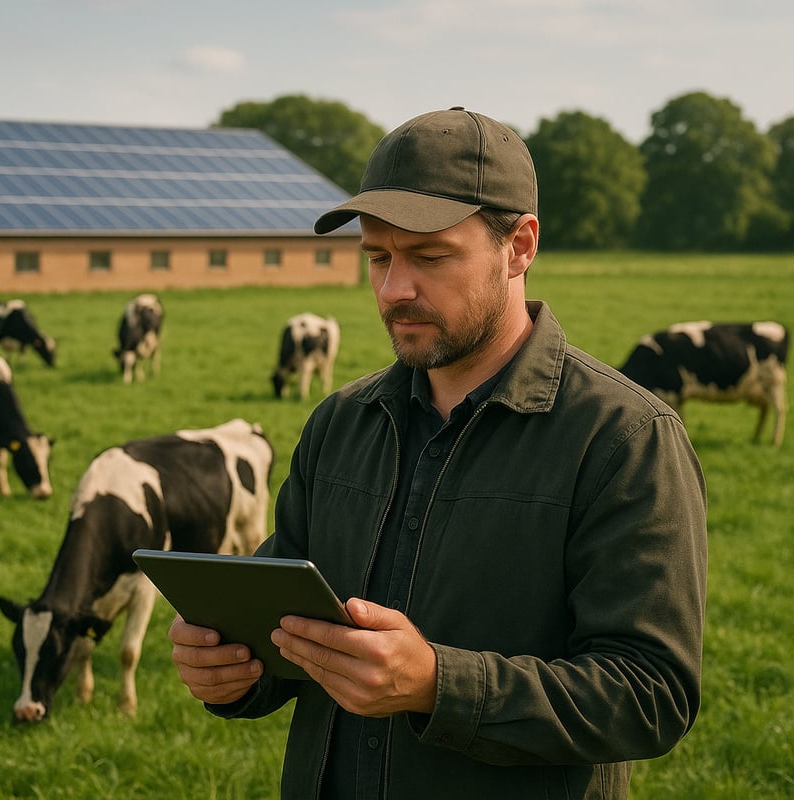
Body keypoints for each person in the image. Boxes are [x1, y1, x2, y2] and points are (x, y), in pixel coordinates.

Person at [166, 107, 708, 799]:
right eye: (377, 258)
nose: (394, 289)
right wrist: (233, 671)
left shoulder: (624, 438)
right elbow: (291, 629)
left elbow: (652, 694)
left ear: (519, 247)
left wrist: (437, 686)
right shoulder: (339, 424)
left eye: (429, 256)